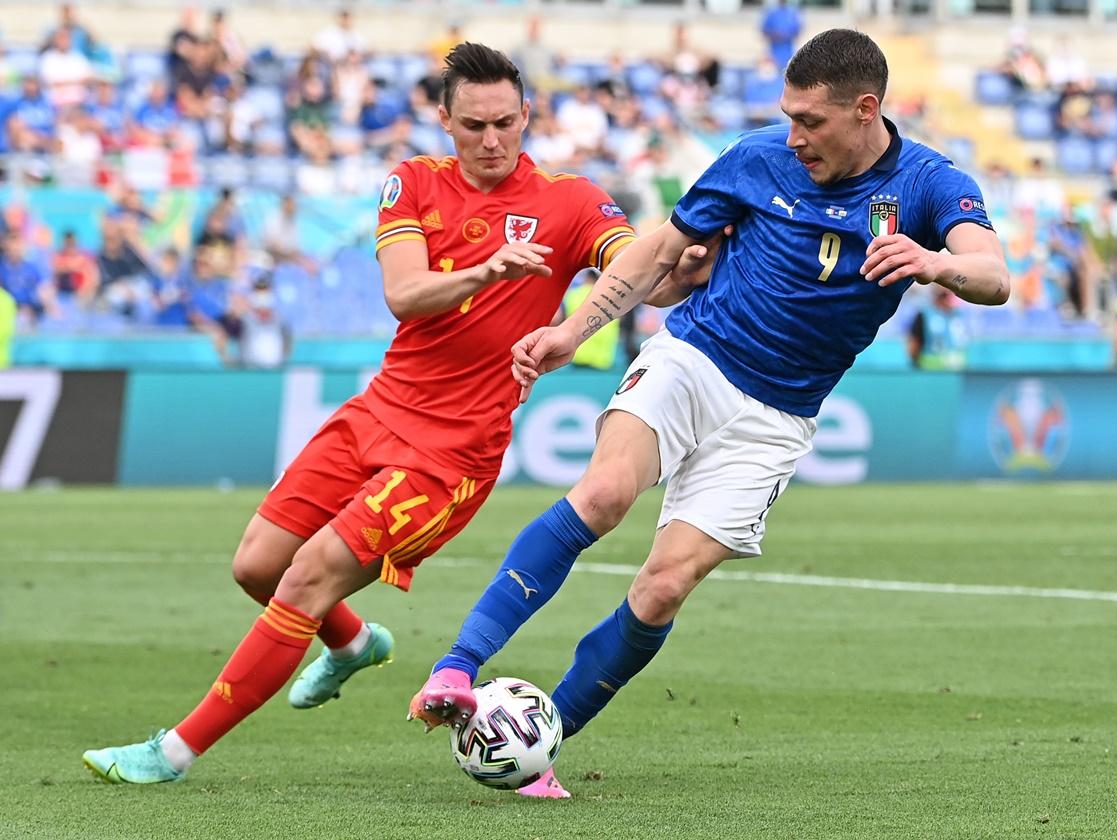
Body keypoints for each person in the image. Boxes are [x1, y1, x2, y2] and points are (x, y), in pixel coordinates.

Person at [81, 42, 713, 786]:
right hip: (378, 411)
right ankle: (353, 647)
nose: (490, 140)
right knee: (256, 564)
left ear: (527, 116)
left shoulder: (570, 201)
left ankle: (173, 752)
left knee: (308, 575)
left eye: (505, 123)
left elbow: (634, 271)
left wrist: (683, 272)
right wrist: (485, 272)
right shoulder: (412, 182)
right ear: (443, 119)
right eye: (473, 124)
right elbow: (405, 295)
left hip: (449, 456)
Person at [410, 29, 1010, 798]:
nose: (794, 137)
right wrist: (571, 331)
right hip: (695, 357)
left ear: (866, 111)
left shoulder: (929, 183)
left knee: (662, 588)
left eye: (812, 122)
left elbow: (994, 275)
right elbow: (661, 249)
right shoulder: (756, 157)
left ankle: (536, 741)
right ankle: (458, 666)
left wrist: (937, 263)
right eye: (788, 115)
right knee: (602, 495)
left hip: (778, 416)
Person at [907, 285, 967, 370]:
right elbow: (914, 344)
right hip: (931, 372)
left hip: (956, 373)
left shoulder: (959, 315)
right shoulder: (925, 315)